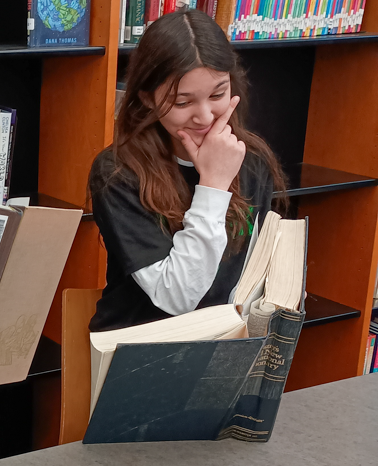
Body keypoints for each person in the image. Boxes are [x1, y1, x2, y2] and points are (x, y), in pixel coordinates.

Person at [88, 10, 288, 332]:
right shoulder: (118, 172)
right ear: (147, 98)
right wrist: (213, 186)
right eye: (183, 102)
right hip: (141, 347)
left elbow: (251, 276)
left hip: (224, 341)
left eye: (218, 94)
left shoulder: (250, 159)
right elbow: (178, 297)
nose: (205, 116)